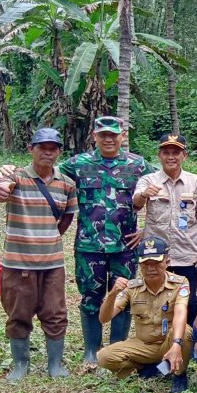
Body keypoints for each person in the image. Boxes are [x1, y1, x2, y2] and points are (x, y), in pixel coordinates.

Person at [57, 116, 156, 364]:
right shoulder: (78, 164)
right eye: (103, 135)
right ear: (95, 136)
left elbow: (164, 186)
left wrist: (148, 229)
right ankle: (91, 350)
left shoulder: (138, 165)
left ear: (123, 136)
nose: (109, 139)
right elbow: (47, 172)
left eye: (114, 134)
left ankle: (117, 347)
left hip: (126, 247)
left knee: (124, 295)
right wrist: (9, 173)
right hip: (89, 245)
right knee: (91, 295)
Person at [0, 128, 78, 382]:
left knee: (55, 312)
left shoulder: (67, 184)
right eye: (42, 147)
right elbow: (0, 190)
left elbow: (67, 218)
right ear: (31, 149)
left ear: (59, 152)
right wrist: (0, 189)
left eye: (53, 148)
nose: (47, 152)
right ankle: (21, 364)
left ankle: (55, 364)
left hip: (52, 262)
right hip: (18, 262)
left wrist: (48, 237)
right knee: (18, 312)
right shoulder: (15, 176)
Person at [96, 238, 191, 393]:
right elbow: (104, 318)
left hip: (168, 343)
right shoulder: (132, 287)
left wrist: (175, 345)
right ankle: (151, 369)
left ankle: (178, 376)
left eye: (156, 263)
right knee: (104, 357)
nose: (151, 268)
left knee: (186, 333)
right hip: (143, 345)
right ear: (139, 265)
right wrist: (112, 294)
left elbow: (181, 312)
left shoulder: (180, 283)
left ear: (167, 262)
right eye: (146, 264)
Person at [133, 133, 197, 323]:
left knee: (189, 302)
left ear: (184, 156)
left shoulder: (195, 182)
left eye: (176, 153)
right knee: (157, 302)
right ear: (159, 155)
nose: (171, 157)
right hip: (156, 257)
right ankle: (158, 343)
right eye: (166, 152)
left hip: (187, 254)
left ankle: (188, 344)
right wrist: (144, 194)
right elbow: (136, 204)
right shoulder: (148, 180)